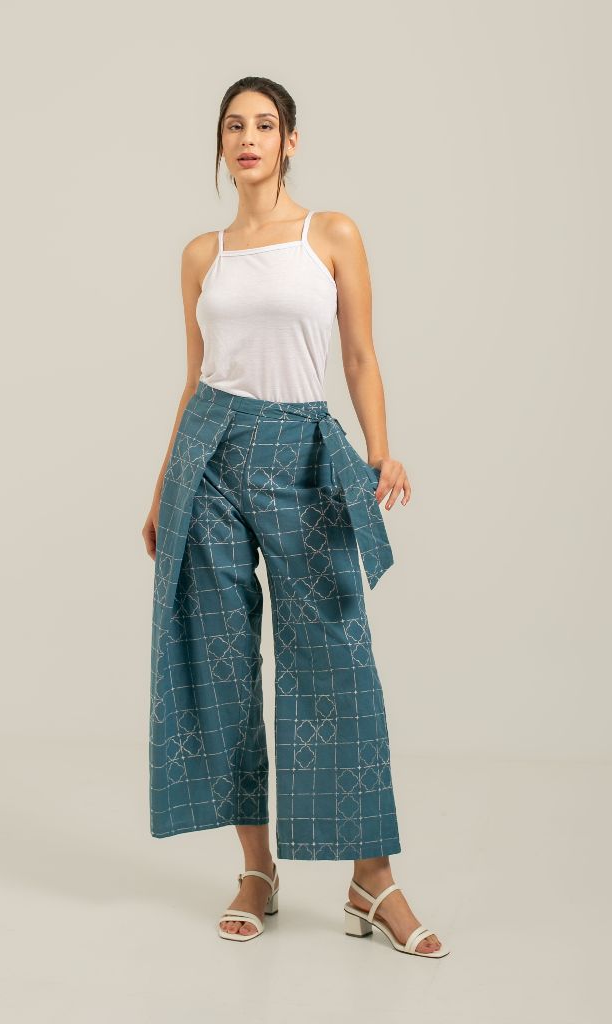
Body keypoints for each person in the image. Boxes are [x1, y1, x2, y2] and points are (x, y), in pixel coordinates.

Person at [142, 76, 449, 958]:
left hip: (303, 453)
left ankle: (371, 878)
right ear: (221, 143)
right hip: (209, 455)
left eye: (265, 125)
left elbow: (359, 355)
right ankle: (256, 870)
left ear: (291, 141)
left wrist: (380, 450)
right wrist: (164, 488)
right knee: (221, 662)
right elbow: (195, 377)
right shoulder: (202, 255)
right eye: (234, 126)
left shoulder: (331, 234)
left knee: (336, 661)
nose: (248, 138)